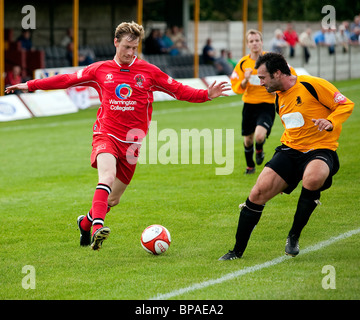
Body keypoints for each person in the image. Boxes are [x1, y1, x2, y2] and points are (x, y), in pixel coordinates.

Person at [6, 21, 230, 251]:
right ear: (116, 42)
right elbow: (67, 80)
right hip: (106, 134)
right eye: (126, 47)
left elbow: (178, 90)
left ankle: (85, 223)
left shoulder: (149, 72)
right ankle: (97, 229)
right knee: (107, 177)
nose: (130, 52)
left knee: (113, 199)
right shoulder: (99, 70)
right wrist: (30, 85)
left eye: (134, 48)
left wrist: (206, 94)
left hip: (132, 144)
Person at [219, 52, 354, 261]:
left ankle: (294, 235)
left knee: (313, 177)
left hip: (321, 149)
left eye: (263, 77)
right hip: (291, 151)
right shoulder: (278, 97)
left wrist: (331, 121)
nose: (260, 82)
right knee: (257, 193)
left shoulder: (312, 84)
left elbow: (345, 104)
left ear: (278, 73)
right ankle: (236, 251)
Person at [230, 29, 278, 174]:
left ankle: (259, 149)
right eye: (251, 41)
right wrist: (245, 78)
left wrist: (275, 87)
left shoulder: (271, 60)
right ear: (247, 44)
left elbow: (283, 77)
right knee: (248, 139)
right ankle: (250, 167)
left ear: (262, 42)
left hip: (267, 104)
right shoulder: (243, 63)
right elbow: (237, 87)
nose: (255, 43)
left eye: (257, 40)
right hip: (249, 105)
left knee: (259, 136)